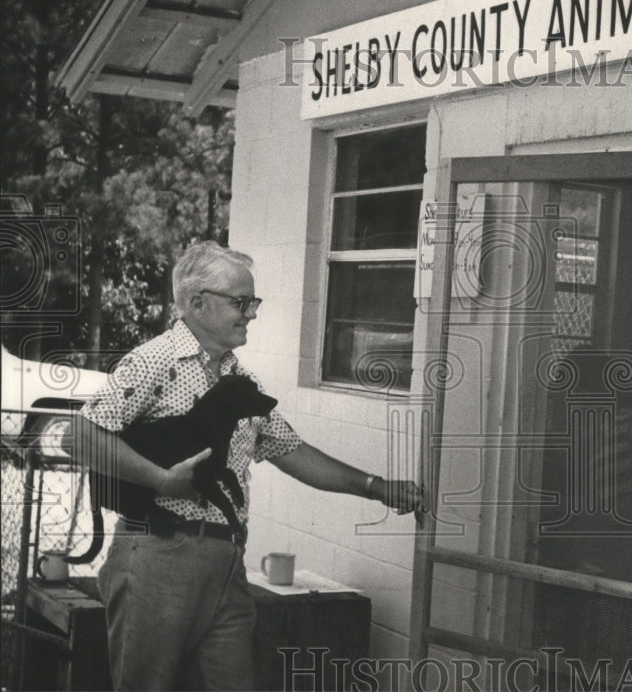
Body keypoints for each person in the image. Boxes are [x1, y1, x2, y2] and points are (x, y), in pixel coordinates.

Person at [71, 241, 421, 691]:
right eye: (241, 302)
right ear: (197, 303)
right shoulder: (153, 361)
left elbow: (289, 449)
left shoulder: (239, 380)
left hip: (227, 562)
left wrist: (375, 487)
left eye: (252, 302)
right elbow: (78, 436)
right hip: (158, 556)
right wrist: (160, 479)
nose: (251, 312)